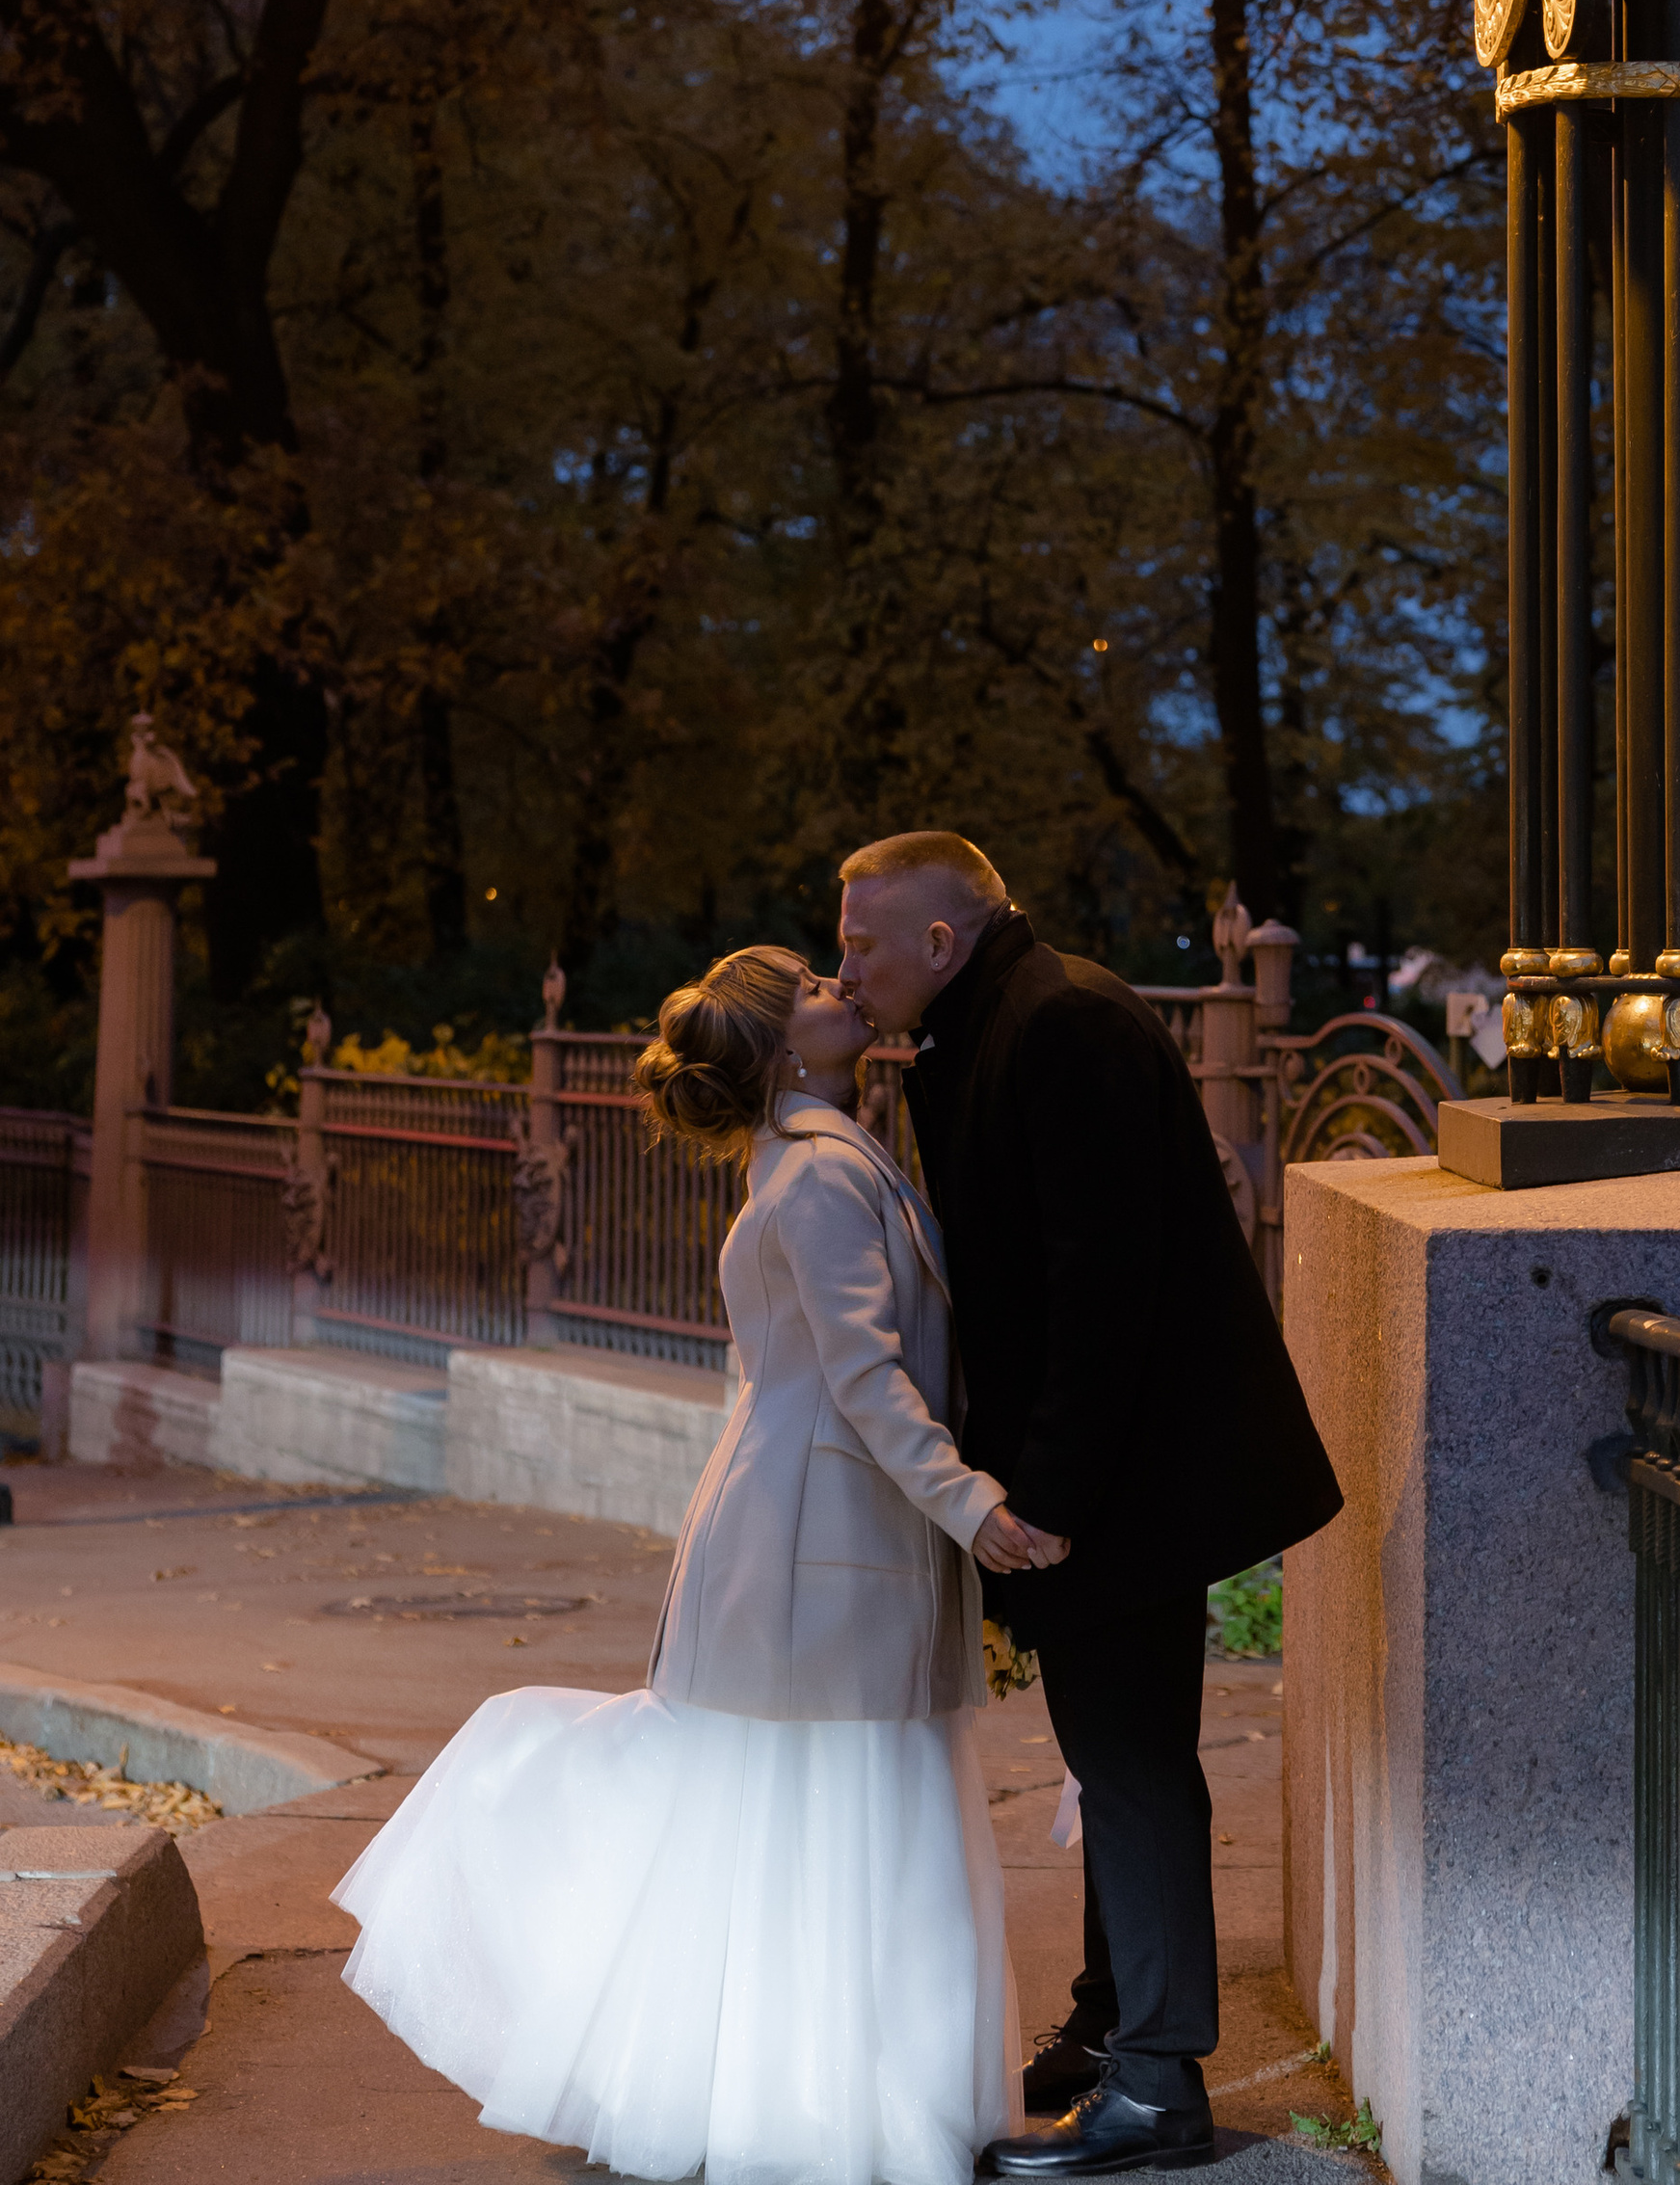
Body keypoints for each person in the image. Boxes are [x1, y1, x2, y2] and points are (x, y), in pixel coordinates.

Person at [333, 944, 1064, 2185]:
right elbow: (864, 1374)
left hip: (806, 1525)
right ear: (787, 1049)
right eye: (817, 987)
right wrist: (969, 1502)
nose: (844, 984)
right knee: (833, 1814)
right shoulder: (823, 1174)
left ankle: (794, 2097)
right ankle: (826, 2110)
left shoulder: (816, 1156)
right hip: (819, 1538)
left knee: (805, 1817)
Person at [838, 831, 1344, 2183]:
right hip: (1116, 1473)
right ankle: (1118, 2027)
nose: (847, 969)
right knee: (1109, 1759)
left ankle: (1162, 2086)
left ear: (940, 943)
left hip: (1123, 1481)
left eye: (861, 944)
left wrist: (1042, 1503)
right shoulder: (1005, 1017)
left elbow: (1101, 1293)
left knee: (1128, 1770)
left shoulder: (1054, 1025)